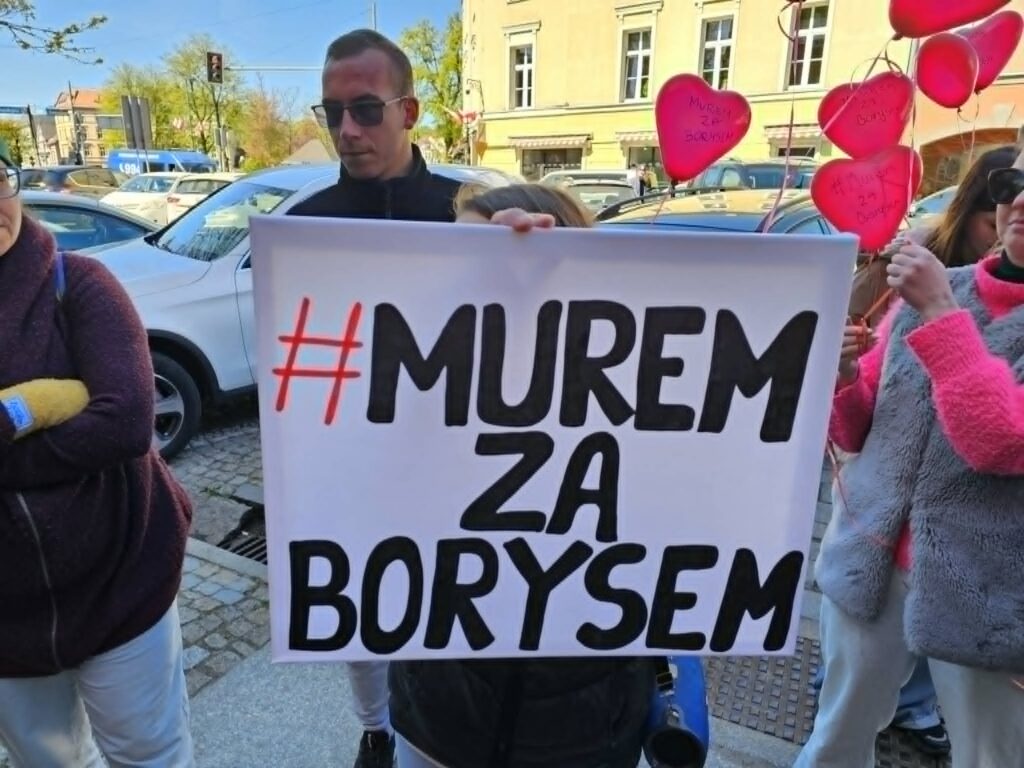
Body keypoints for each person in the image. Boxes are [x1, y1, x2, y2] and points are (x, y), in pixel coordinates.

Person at [288, 29, 534, 768]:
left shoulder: (470, 214)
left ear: (410, 110)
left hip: (459, 464)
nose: (347, 130)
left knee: (446, 604)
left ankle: (440, 727)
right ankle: (375, 727)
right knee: (358, 609)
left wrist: (536, 255)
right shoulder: (303, 228)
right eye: (332, 112)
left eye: (365, 109)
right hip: (352, 461)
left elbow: (536, 329)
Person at [387, 182, 655, 768]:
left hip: (583, 730)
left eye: (483, 260)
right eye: (455, 262)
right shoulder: (422, 389)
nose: (463, 278)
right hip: (437, 720)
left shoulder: (636, 399)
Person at [796, 149, 1024, 767]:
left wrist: (941, 315)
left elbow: (999, 440)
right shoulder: (944, 288)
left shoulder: (936, 298)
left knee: (990, 756)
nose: (1020, 200)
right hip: (872, 565)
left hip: (992, 593)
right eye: (1013, 181)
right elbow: (859, 427)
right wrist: (844, 375)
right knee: (835, 738)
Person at [0, 138, 194, 766]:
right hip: (8, 622)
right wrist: (48, 407)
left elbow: (126, 421)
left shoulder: (78, 283)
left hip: (122, 582)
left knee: (151, 754)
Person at [849, 144, 1018, 328]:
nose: (1003, 240)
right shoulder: (893, 269)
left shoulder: (1011, 290)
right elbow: (838, 329)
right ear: (966, 213)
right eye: (993, 225)